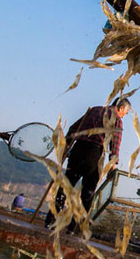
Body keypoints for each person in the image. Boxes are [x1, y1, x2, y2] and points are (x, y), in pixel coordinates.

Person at [45, 98, 131, 228]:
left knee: (66, 186)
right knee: (88, 193)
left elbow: (74, 128)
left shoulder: (94, 110)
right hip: (93, 153)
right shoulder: (117, 119)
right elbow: (115, 143)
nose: (125, 115)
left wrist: (66, 146)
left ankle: (50, 220)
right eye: (126, 112)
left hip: (78, 150)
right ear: (120, 108)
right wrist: (113, 163)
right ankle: (74, 227)